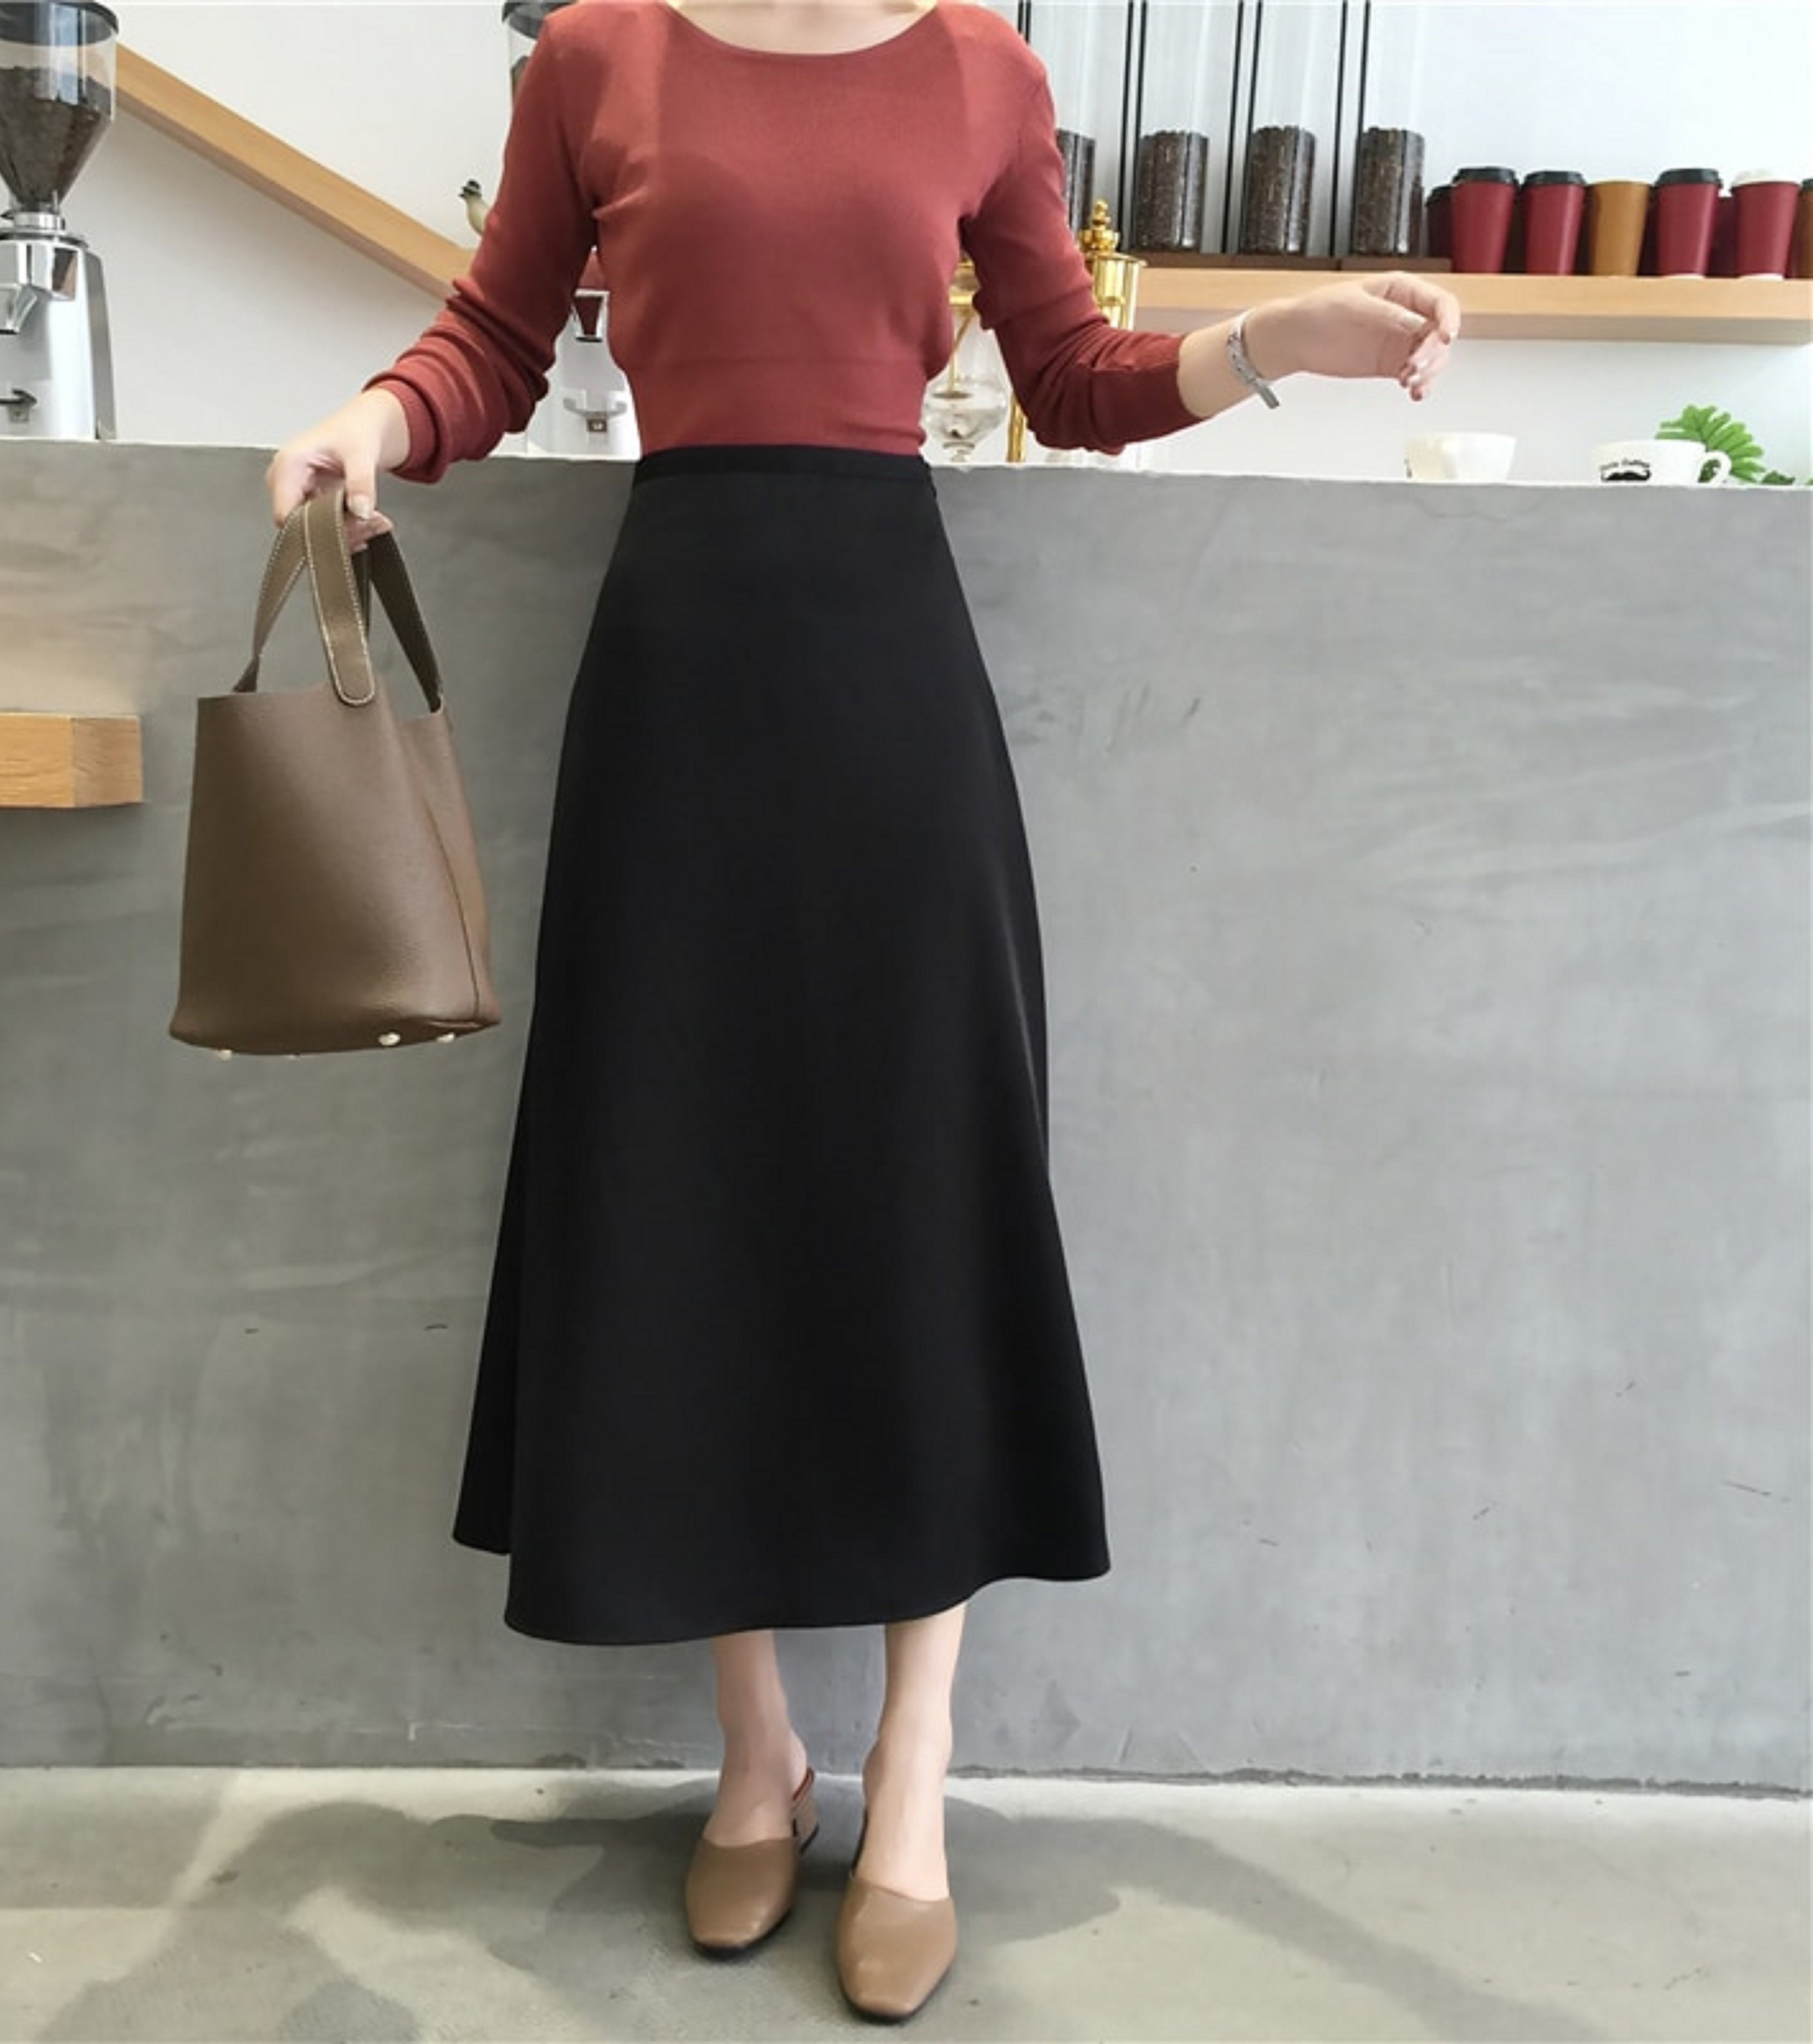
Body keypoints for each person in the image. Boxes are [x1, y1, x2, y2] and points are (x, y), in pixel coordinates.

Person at [265, 0, 1460, 2022]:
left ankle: (913, 1768)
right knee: (684, 1189)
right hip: (679, 681)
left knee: (919, 1190)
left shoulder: (982, 69)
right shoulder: (598, 57)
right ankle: (759, 1751)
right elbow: (494, 334)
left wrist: (1282, 338)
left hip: (888, 676)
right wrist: (373, 424)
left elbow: (1072, 375)